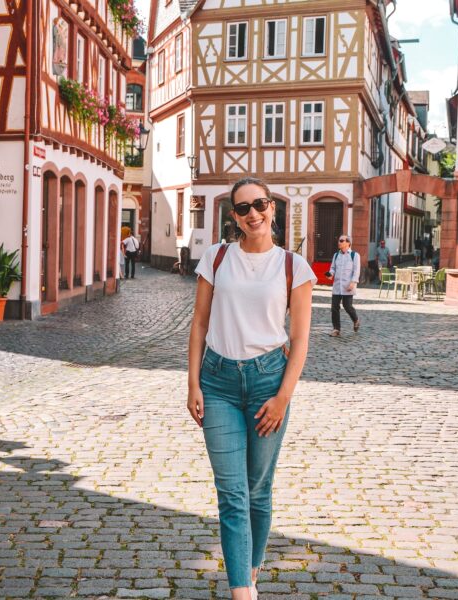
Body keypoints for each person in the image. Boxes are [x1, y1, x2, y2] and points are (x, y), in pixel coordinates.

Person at [187, 177, 316, 600]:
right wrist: (193, 383)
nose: (253, 213)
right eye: (243, 208)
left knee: (258, 488)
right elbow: (200, 324)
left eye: (260, 204)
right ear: (234, 217)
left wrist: (283, 397)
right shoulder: (217, 258)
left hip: (268, 382)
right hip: (218, 382)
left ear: (273, 207)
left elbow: (300, 340)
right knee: (232, 492)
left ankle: (251, 569)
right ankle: (242, 591)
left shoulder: (294, 266)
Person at [326, 235, 360, 337]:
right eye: (339, 240)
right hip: (337, 286)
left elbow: (356, 271)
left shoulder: (354, 255)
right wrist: (330, 274)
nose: (339, 242)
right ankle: (336, 329)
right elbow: (333, 268)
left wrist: (353, 283)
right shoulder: (336, 255)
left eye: (341, 240)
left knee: (347, 306)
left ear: (348, 243)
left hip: (348, 286)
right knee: (334, 307)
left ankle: (356, 320)